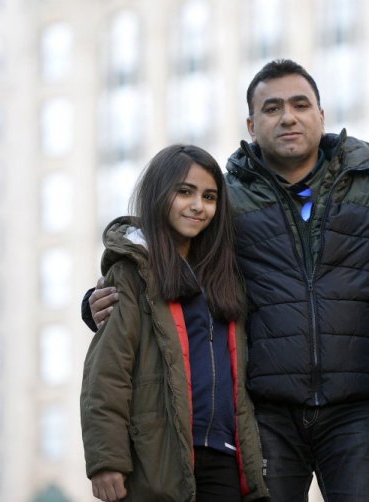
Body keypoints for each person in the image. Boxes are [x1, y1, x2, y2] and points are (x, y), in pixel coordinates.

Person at [83, 59, 369, 501]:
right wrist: (95, 301)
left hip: (360, 409)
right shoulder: (225, 200)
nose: (288, 116)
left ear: (321, 115)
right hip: (265, 413)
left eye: (300, 104)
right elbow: (161, 264)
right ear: (253, 124)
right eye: (272, 108)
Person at [80, 144, 269, 502]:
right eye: (185, 192)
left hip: (226, 456)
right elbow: (107, 373)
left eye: (209, 196)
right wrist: (106, 460)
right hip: (158, 456)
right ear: (158, 193)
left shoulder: (226, 279)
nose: (198, 205)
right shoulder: (132, 274)